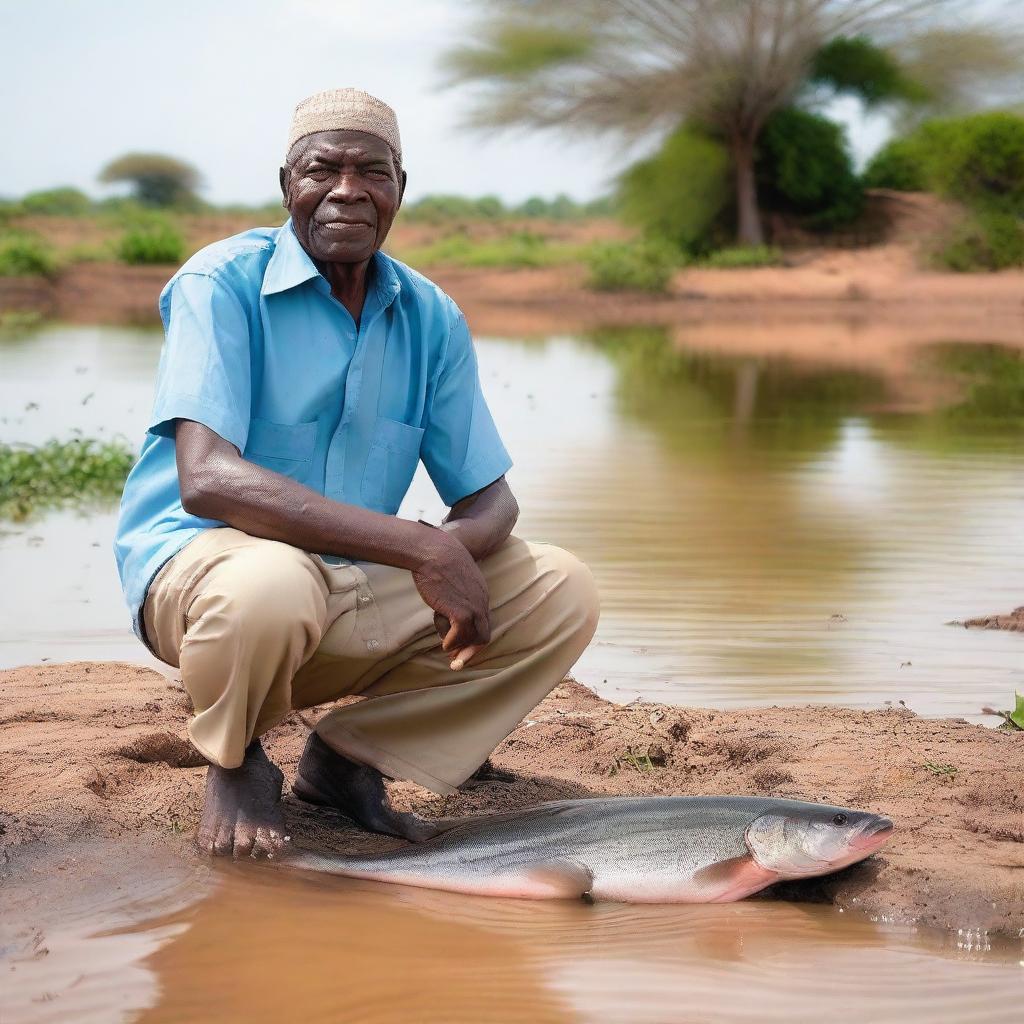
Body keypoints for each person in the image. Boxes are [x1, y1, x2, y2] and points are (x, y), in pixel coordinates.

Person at [114, 88, 600, 859]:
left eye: (371, 172)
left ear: (400, 188)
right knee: (270, 582)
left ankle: (349, 760)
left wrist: (448, 549)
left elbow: (488, 495)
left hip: (345, 582)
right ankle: (235, 759)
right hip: (213, 589)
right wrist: (421, 546)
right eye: (322, 170)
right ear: (287, 186)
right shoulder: (222, 284)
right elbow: (207, 479)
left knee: (560, 587)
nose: (347, 191)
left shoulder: (430, 314)